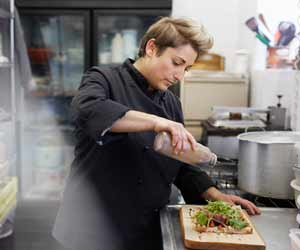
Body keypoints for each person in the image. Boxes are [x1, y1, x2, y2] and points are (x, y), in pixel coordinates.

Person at [52, 17, 260, 250]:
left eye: (186, 68)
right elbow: (88, 110)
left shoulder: (171, 103)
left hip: (147, 229)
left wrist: (214, 195)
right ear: (152, 48)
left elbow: (181, 162)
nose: (180, 75)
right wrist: (156, 122)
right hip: (93, 229)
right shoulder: (104, 79)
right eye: (176, 62)